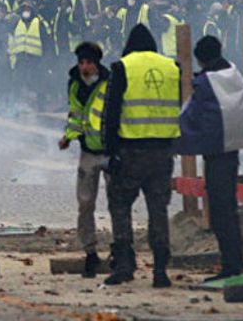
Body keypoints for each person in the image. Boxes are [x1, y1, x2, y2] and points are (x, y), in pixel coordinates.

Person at [174, 35, 243, 282]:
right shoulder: (233, 75)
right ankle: (234, 261)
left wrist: (174, 140)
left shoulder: (206, 84)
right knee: (228, 207)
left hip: (216, 153)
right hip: (231, 150)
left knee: (220, 211)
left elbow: (192, 116)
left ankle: (231, 264)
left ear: (200, 59)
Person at [99, 24, 180, 288]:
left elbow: (111, 113)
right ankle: (160, 271)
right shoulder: (172, 67)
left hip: (130, 151)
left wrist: (109, 151)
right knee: (158, 209)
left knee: (120, 206)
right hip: (163, 152)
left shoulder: (122, 67)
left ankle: (124, 266)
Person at [58, 41, 111, 279]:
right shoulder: (75, 84)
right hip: (88, 150)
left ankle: (120, 250)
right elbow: (75, 114)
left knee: (116, 203)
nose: (84, 67)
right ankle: (90, 252)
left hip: (110, 151)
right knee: (85, 203)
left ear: (96, 63)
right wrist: (68, 137)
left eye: (88, 62)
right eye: (81, 63)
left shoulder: (110, 82)